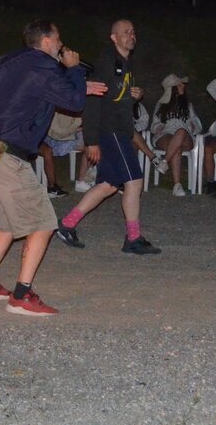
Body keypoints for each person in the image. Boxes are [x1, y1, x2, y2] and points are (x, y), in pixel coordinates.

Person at [0, 19, 105, 316]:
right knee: (43, 222)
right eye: (58, 40)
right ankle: (22, 295)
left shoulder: (20, 66)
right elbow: (73, 102)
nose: (62, 45)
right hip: (6, 156)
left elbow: (56, 95)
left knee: (9, 224)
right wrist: (74, 70)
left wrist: (79, 83)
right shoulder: (40, 66)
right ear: (46, 41)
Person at [56, 19, 159, 254]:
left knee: (109, 185)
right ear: (114, 37)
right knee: (134, 181)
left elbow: (116, 96)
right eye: (125, 32)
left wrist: (134, 95)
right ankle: (133, 238)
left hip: (118, 129)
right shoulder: (106, 62)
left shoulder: (125, 63)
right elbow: (93, 100)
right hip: (110, 130)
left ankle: (67, 225)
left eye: (133, 32)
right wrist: (91, 140)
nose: (131, 36)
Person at [150, 74, 203, 197]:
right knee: (176, 147)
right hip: (166, 134)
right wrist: (159, 127)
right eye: (179, 84)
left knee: (181, 131)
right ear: (172, 88)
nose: (183, 86)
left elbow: (197, 124)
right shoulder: (161, 105)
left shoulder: (188, 105)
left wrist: (193, 126)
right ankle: (177, 185)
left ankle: (164, 162)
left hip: (185, 137)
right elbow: (154, 124)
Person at [39, 111, 83, 198]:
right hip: (34, 138)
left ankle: (84, 180)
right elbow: (57, 132)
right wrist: (76, 128)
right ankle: (52, 187)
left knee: (91, 144)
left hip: (47, 135)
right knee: (47, 151)